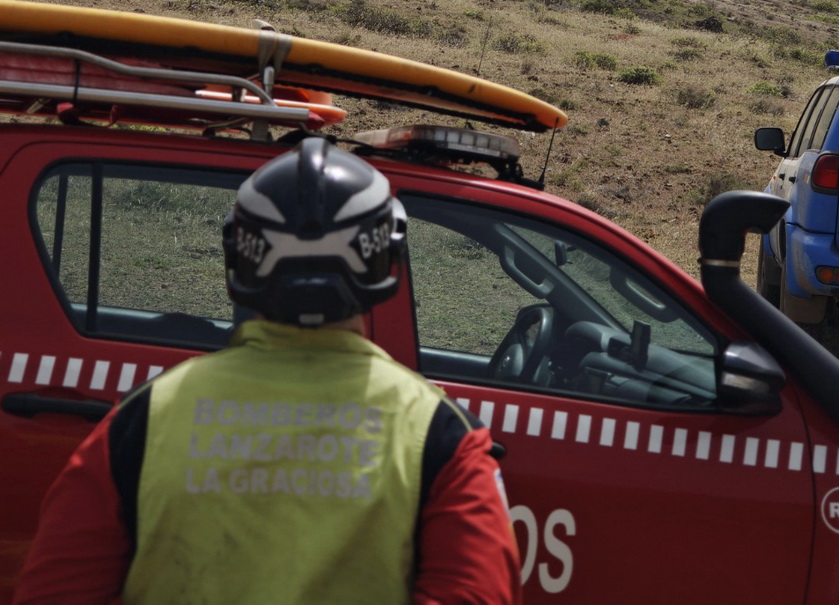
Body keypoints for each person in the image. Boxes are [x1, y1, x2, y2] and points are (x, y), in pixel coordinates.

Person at [15, 138, 522, 604]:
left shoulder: (143, 419)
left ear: (240, 259)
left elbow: (53, 592)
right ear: (385, 258)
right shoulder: (443, 436)